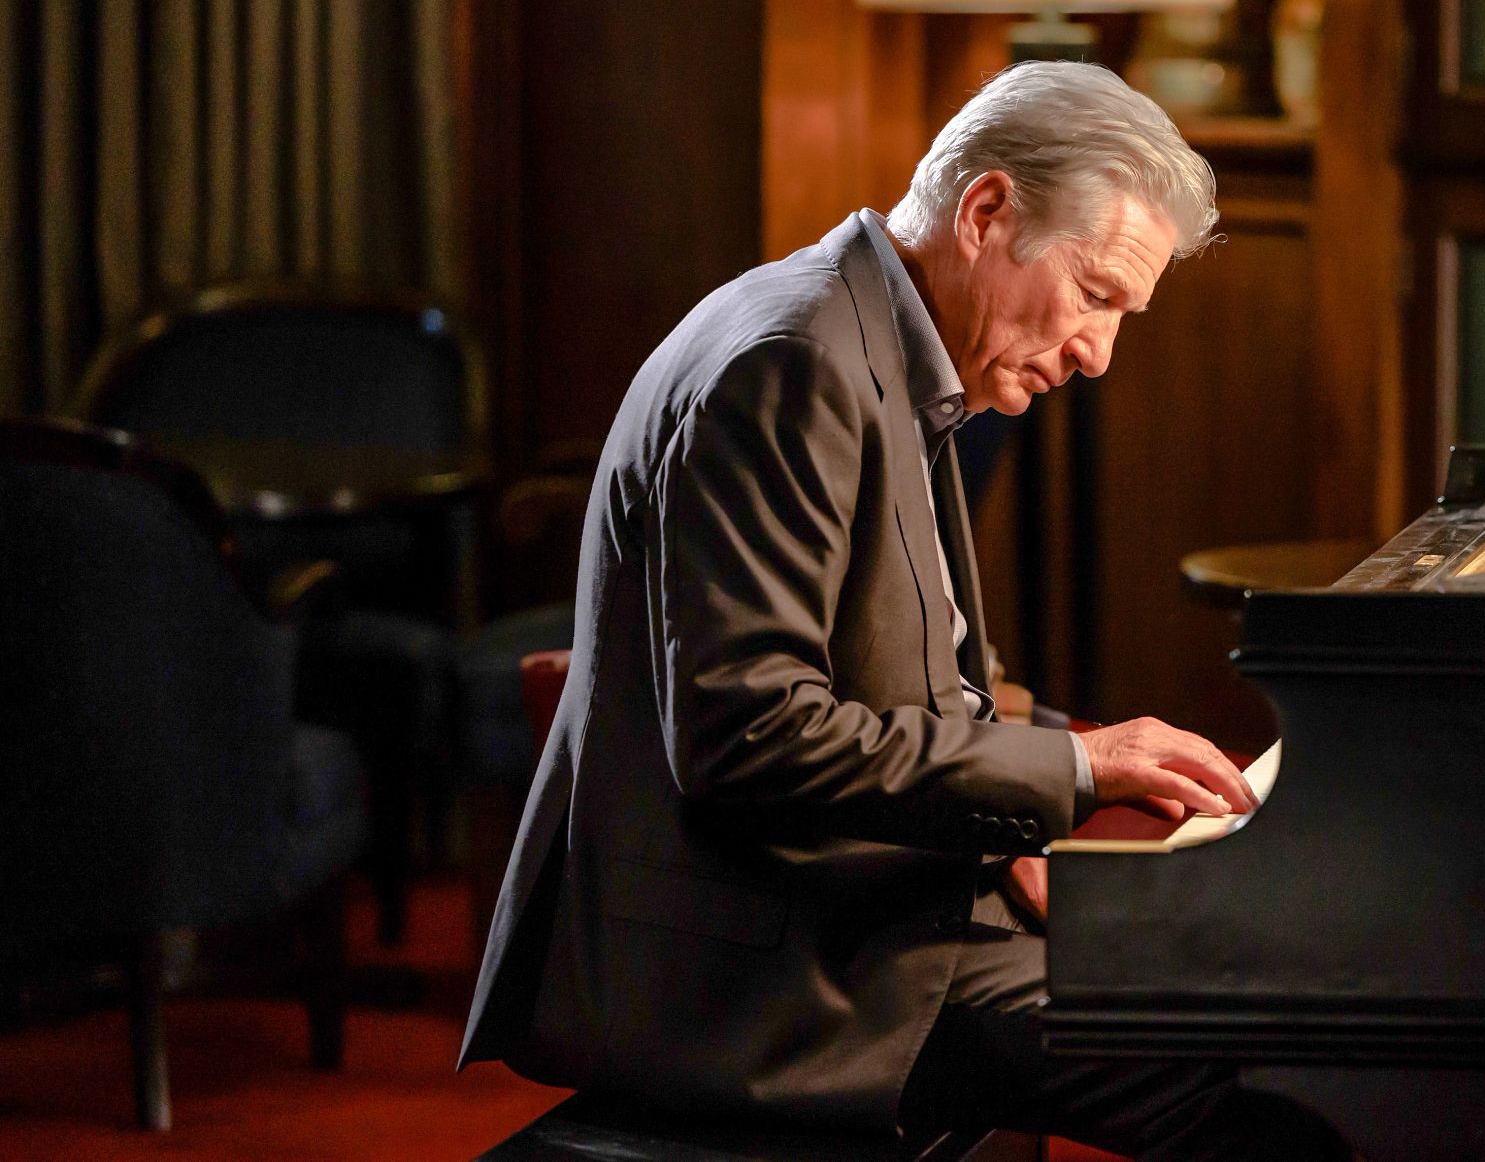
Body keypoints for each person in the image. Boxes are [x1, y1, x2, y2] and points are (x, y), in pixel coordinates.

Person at [459, 62, 1354, 1160]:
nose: (1097, 351)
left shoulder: (871, 335)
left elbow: (922, 677)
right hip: (781, 974)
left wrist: (1049, 774)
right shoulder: (790, 363)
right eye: (1094, 293)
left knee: (1273, 1020)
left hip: (872, 910)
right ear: (986, 212)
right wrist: (1074, 772)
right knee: (1263, 1075)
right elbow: (749, 738)